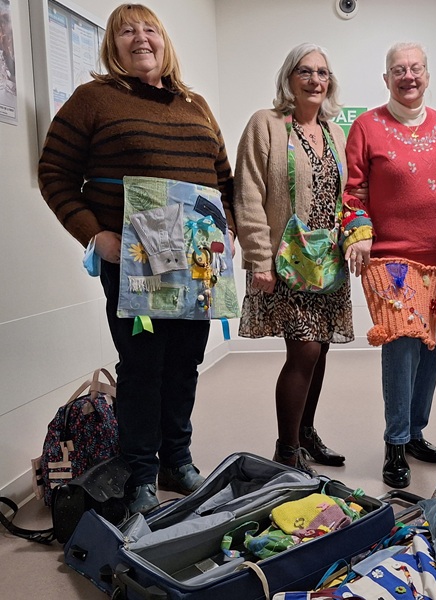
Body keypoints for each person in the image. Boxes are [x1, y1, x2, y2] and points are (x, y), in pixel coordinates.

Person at [38, 4, 235, 514]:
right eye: (126, 31)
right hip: (134, 266)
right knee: (143, 365)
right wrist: (94, 235)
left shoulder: (195, 104)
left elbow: (224, 179)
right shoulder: (93, 100)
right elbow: (54, 174)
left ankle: (177, 458)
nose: (140, 38)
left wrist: (227, 230)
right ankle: (141, 474)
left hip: (197, 267)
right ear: (112, 46)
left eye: (149, 29)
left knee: (185, 363)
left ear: (165, 42)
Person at [234, 43, 372, 476]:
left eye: (323, 73)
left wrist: (355, 236)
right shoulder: (266, 124)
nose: (315, 80)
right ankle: (286, 453)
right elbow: (249, 192)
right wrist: (259, 258)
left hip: (325, 260)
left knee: (321, 349)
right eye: (305, 72)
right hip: (286, 259)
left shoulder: (333, 132)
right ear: (288, 78)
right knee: (306, 351)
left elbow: (346, 196)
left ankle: (305, 432)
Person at [345, 42, 436, 489]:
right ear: (386, 78)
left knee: (431, 347)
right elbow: (353, 192)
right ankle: (395, 442)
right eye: (399, 69)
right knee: (401, 343)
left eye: (416, 68)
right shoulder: (366, 125)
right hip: (394, 260)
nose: (408, 76)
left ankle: (415, 431)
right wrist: (359, 233)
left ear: (428, 75)